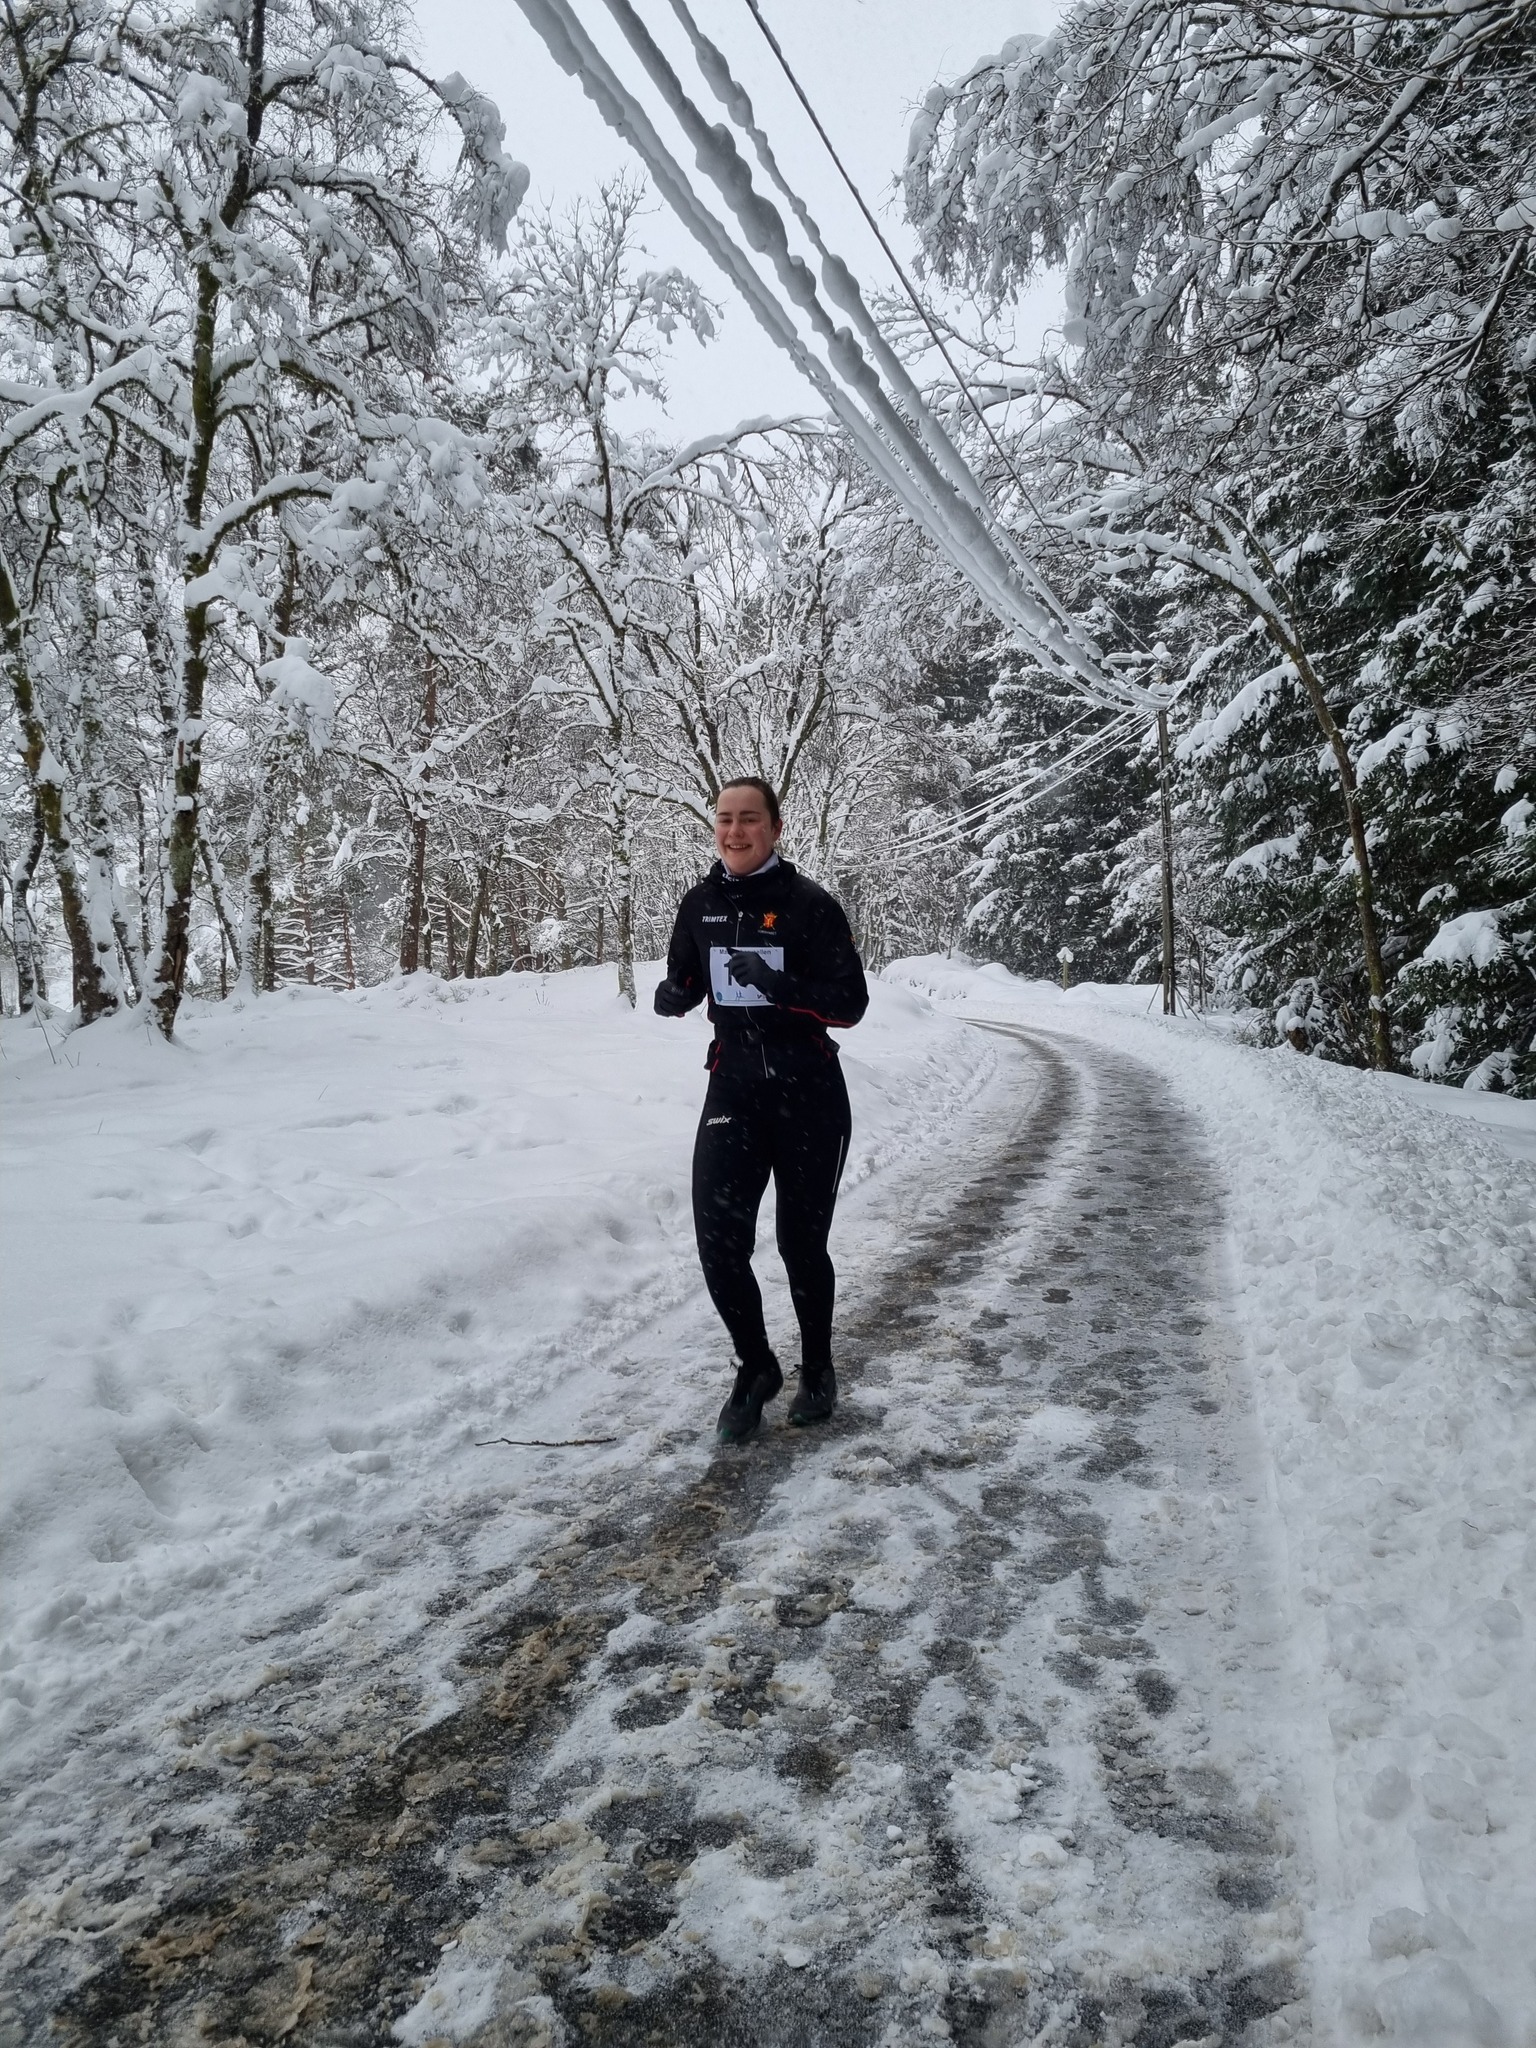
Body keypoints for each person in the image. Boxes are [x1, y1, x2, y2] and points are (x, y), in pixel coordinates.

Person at [654, 777, 868, 1441]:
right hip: (735, 1091)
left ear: (774, 828)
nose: (735, 831)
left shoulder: (810, 905)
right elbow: (688, 979)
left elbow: (850, 1004)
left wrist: (779, 986)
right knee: (718, 1244)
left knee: (800, 1244)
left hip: (810, 1094)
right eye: (725, 819)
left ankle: (818, 1369)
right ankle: (755, 1368)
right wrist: (673, 995)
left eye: (749, 819)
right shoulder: (700, 904)